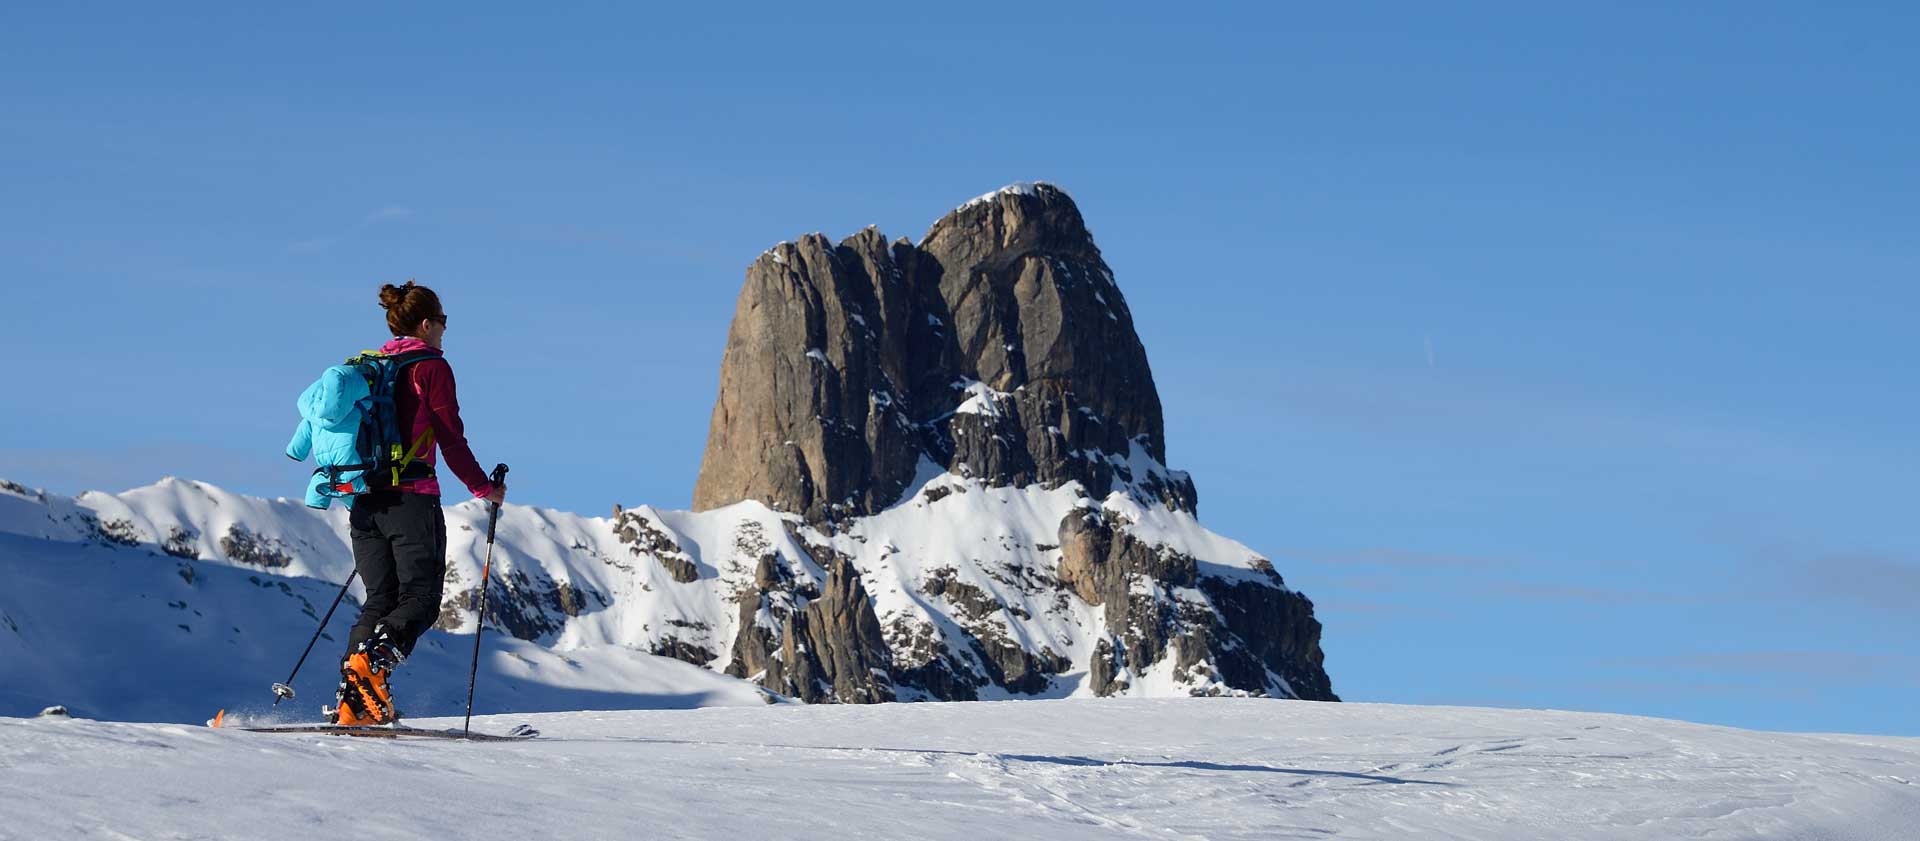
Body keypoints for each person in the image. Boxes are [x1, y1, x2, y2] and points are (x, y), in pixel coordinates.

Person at [332, 281, 505, 726]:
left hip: (366, 500)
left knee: (379, 600)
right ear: (427, 324)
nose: (446, 329)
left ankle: (355, 704)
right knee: (423, 598)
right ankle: (373, 668)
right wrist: (484, 488)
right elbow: (450, 437)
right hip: (412, 499)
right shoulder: (430, 368)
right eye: (444, 321)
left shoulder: (373, 366)